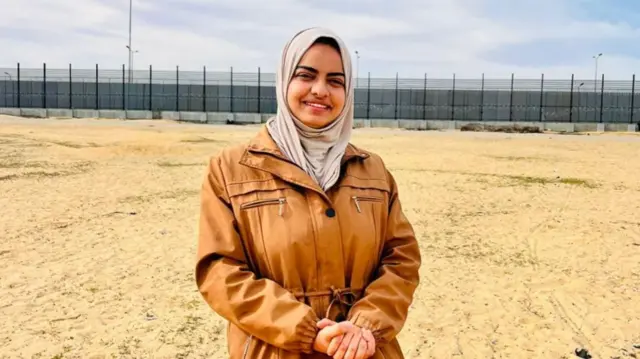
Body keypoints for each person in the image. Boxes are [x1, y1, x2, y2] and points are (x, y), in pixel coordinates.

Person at [195, 27, 421, 359]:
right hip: (272, 349)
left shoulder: (372, 170)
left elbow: (401, 259)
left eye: (335, 80)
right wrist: (303, 330)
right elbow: (219, 270)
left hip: (365, 350)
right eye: (306, 75)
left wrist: (366, 326)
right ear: (285, 80)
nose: (320, 90)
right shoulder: (231, 169)